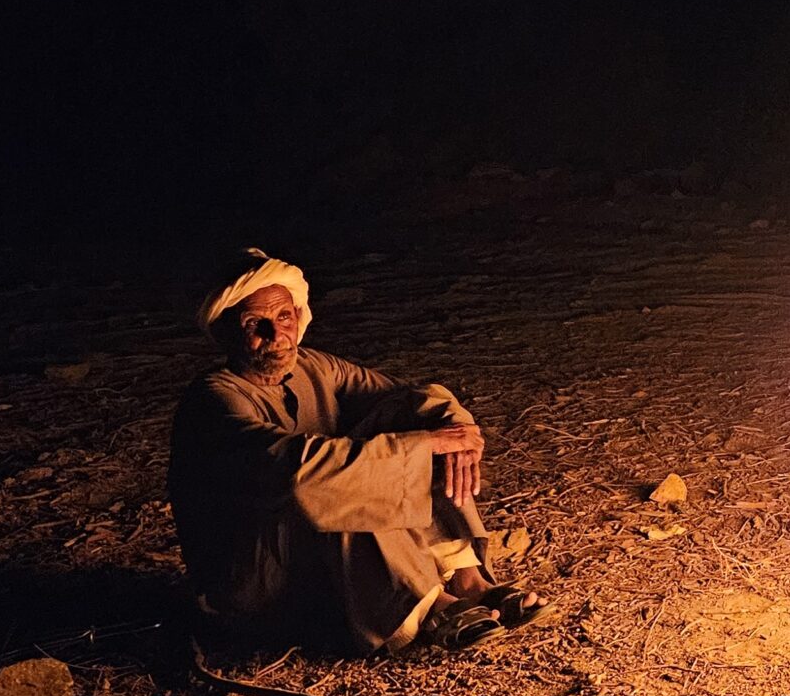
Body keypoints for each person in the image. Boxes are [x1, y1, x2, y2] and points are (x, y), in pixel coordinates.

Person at [168, 248, 552, 652]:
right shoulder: (213, 400)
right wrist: (420, 445)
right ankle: (421, 606)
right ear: (227, 331)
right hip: (258, 578)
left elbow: (408, 399)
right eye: (255, 324)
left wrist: (456, 430)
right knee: (338, 479)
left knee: (416, 425)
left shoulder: (315, 367)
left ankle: (466, 579)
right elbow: (297, 471)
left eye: (284, 317)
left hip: (319, 558)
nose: (276, 334)